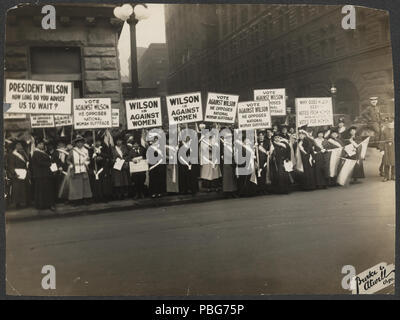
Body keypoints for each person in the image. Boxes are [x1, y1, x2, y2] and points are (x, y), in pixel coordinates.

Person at [66, 135, 92, 205]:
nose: (79, 144)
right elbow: (68, 160)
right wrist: (71, 165)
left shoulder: (86, 150)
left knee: (85, 185)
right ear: (76, 143)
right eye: (78, 142)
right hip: (75, 169)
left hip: (83, 169)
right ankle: (76, 200)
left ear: (83, 143)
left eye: (81, 142)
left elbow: (88, 159)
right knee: (76, 185)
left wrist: (87, 163)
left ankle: (85, 199)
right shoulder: (72, 151)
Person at [31, 139, 56, 210]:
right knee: (42, 190)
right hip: (41, 174)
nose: (42, 145)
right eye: (40, 144)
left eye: (42, 144)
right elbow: (40, 162)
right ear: (37, 145)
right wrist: (49, 163)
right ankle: (43, 205)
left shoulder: (41, 152)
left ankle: (45, 204)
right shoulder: (36, 153)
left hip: (44, 174)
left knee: (45, 190)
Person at [7, 141, 30, 209]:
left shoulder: (22, 153)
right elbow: (11, 165)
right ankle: (15, 203)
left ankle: (22, 202)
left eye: (20, 145)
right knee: (16, 189)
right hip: (16, 173)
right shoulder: (12, 154)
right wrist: (14, 173)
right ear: (15, 146)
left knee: (22, 188)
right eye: (19, 145)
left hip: (23, 173)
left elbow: (26, 161)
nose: (20, 146)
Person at [91, 135, 113, 202]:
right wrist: (94, 158)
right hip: (95, 168)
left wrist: (101, 155)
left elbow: (109, 156)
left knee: (104, 183)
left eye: (99, 141)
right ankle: (97, 197)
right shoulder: (91, 149)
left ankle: (104, 196)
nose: (97, 143)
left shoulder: (104, 148)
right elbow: (88, 159)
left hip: (103, 167)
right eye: (96, 141)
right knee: (96, 183)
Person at [199, 127, 222, 192]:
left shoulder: (214, 140)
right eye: (207, 133)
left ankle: (215, 187)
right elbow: (201, 152)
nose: (208, 134)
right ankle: (207, 188)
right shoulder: (203, 142)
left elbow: (217, 149)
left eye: (209, 133)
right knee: (207, 174)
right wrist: (201, 161)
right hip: (206, 160)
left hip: (214, 159)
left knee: (215, 174)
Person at [111, 136, 130, 200]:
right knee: (117, 181)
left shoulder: (124, 147)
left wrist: (124, 160)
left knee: (124, 180)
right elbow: (111, 156)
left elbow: (128, 155)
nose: (119, 142)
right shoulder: (113, 148)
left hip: (124, 165)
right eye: (117, 141)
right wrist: (115, 160)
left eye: (120, 140)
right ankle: (118, 194)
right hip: (116, 166)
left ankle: (124, 194)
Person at [220, 128, 237, 197]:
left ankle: (232, 191)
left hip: (232, 162)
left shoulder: (232, 145)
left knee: (232, 178)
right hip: (226, 163)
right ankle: (227, 192)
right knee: (227, 178)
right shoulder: (223, 144)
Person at [380, 117, 395, 182]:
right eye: (389, 122)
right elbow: (381, 140)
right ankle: (386, 176)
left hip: (394, 148)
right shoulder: (384, 130)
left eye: (391, 122)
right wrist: (382, 149)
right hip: (386, 148)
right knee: (386, 162)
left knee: (394, 162)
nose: (390, 124)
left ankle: (393, 176)